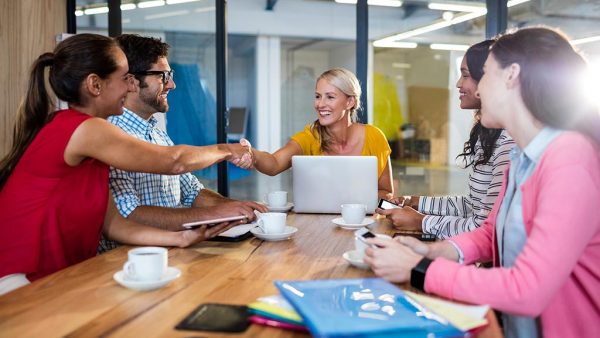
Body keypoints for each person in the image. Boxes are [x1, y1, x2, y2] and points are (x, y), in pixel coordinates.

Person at [364, 27, 600, 337]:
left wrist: (418, 270)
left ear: (511, 75)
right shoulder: (521, 155)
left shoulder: (570, 159)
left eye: (485, 74)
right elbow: (491, 232)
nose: (477, 89)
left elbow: (527, 289)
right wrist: (429, 252)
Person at [0, 34, 253, 294]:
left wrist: (181, 237)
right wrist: (225, 149)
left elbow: (115, 224)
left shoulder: (91, 137)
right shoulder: (86, 129)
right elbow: (173, 162)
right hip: (23, 277)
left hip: (56, 274)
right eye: (124, 79)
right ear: (95, 85)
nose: (130, 88)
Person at [99, 34, 267, 252]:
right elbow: (128, 215)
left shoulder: (157, 134)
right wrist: (216, 214)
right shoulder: (110, 134)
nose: (172, 84)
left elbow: (191, 192)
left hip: (176, 253)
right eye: (163, 76)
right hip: (129, 264)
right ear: (131, 81)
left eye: (171, 75)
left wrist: (236, 207)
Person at [378, 40, 515, 239]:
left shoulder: (508, 144)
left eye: (466, 75)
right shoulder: (488, 136)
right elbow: (473, 206)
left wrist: (421, 222)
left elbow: (484, 229)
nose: (459, 83)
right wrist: (415, 202)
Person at [233, 68, 394, 199]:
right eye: (318, 96)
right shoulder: (310, 136)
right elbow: (274, 163)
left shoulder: (374, 137)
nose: (320, 104)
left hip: (362, 225)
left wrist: (355, 202)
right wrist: (251, 153)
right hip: (317, 227)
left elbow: (387, 192)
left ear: (350, 102)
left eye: (330, 97)